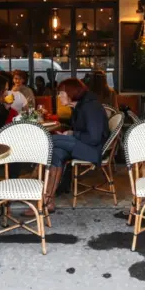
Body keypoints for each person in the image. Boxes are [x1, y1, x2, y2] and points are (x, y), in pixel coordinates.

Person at [34, 78, 109, 214]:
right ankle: (47, 201)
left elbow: (94, 138)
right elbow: (79, 128)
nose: (59, 97)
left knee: (49, 140)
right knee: (56, 152)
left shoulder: (91, 107)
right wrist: (68, 131)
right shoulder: (79, 106)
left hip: (93, 150)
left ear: (72, 93)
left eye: (61, 93)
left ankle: (30, 169)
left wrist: (72, 133)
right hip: (83, 145)